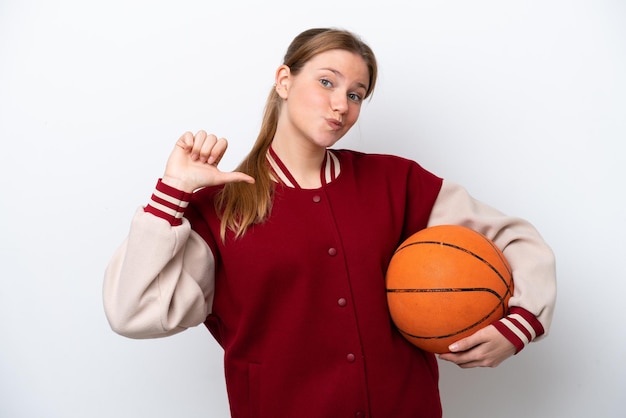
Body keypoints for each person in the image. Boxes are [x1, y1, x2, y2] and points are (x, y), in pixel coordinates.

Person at [103, 27, 556, 418]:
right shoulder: (219, 208)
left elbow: (513, 238)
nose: (342, 104)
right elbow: (131, 312)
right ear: (284, 80)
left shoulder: (395, 181)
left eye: (356, 94)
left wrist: (520, 324)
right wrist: (173, 192)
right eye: (327, 82)